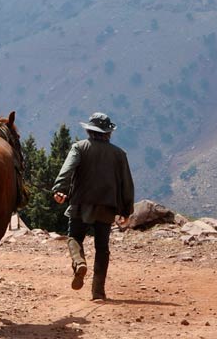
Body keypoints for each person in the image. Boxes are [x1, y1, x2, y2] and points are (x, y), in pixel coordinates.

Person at [52, 112, 134, 301]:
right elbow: (126, 183)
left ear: (89, 130)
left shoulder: (79, 148)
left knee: (74, 237)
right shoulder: (119, 154)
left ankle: (79, 262)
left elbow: (67, 170)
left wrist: (59, 190)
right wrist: (126, 210)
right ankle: (98, 292)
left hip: (81, 203)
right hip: (107, 206)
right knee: (102, 248)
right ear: (108, 133)